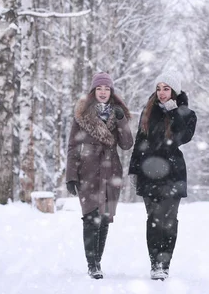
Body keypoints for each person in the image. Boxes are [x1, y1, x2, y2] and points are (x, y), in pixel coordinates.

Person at [129, 72, 197, 280]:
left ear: (174, 91)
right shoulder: (148, 111)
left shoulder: (187, 113)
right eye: (159, 88)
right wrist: (134, 170)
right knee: (153, 219)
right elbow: (140, 141)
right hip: (149, 174)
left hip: (173, 174)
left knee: (168, 221)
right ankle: (154, 263)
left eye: (166, 88)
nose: (161, 93)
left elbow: (182, 137)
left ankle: (164, 264)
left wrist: (173, 112)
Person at [66, 72, 134, 279]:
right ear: (93, 92)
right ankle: (92, 264)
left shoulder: (117, 114)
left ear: (111, 92)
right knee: (90, 218)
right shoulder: (81, 116)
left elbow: (127, 144)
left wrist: (122, 122)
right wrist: (71, 176)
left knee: (104, 219)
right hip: (87, 172)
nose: (103, 92)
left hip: (110, 172)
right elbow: (72, 147)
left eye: (106, 89)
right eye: (99, 89)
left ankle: (98, 262)